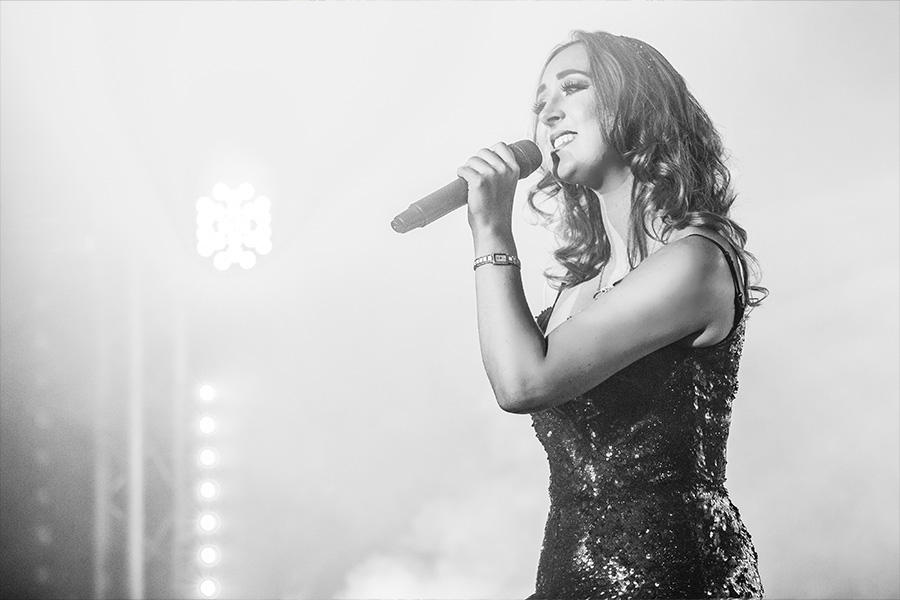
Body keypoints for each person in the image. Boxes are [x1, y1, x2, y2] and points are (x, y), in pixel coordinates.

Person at [456, 30, 766, 599]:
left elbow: (523, 382)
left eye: (572, 88)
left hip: (670, 579)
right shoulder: (575, 296)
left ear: (637, 104)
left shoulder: (694, 262)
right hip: (568, 576)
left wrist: (491, 230)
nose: (547, 113)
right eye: (538, 103)